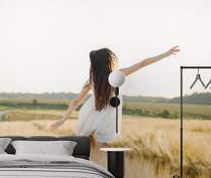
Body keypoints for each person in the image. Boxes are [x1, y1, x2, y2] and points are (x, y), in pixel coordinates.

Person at [50, 46, 180, 146]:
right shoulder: (117, 75)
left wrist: (62, 120)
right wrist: (165, 54)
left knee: (88, 145)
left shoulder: (91, 80)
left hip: (92, 111)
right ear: (107, 62)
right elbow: (142, 64)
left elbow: (76, 101)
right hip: (107, 114)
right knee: (103, 146)